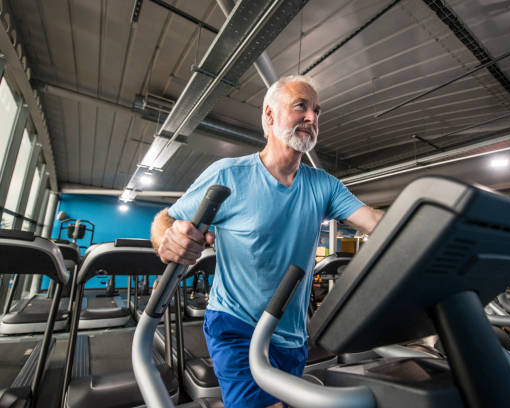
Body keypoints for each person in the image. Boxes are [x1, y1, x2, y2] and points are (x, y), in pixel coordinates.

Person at [151, 75, 383, 408]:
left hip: (292, 335)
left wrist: (428, 222)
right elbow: (167, 219)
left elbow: (374, 221)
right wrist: (168, 239)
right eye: (301, 106)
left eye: (317, 111)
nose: (312, 118)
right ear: (270, 115)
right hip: (236, 325)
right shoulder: (228, 174)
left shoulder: (324, 185)